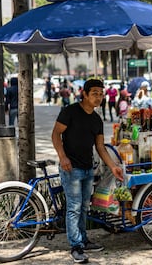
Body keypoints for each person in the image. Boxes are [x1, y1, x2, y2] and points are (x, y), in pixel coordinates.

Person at [51, 79, 124, 263]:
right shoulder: (70, 112)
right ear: (85, 94)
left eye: (101, 93)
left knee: (84, 206)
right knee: (74, 207)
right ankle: (75, 246)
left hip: (87, 168)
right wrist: (62, 156)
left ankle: (83, 239)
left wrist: (113, 167)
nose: (98, 97)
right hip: (71, 168)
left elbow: (100, 147)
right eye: (94, 93)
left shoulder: (97, 119)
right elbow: (55, 134)